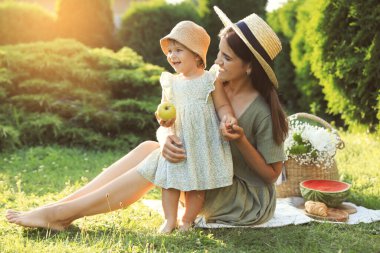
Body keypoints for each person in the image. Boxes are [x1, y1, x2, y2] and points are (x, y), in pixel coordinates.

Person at [6, 6, 288, 230]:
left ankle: (60, 215)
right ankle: (61, 207)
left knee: (156, 160)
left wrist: (239, 140)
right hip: (208, 173)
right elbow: (174, 120)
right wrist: (166, 138)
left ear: (250, 67)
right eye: (218, 55)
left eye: (226, 59)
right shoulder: (213, 85)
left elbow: (271, 176)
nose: (216, 63)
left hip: (242, 198)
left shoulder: (262, 111)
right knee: (150, 148)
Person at [138, 20, 236, 233]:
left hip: (201, 142)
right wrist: (163, 120)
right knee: (170, 182)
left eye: (178, 50)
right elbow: (163, 110)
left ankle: (187, 220)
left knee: (196, 185)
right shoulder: (170, 82)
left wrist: (227, 118)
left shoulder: (210, 79)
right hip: (179, 140)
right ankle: (169, 220)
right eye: (170, 51)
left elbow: (222, 105)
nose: (172, 56)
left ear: (196, 54)